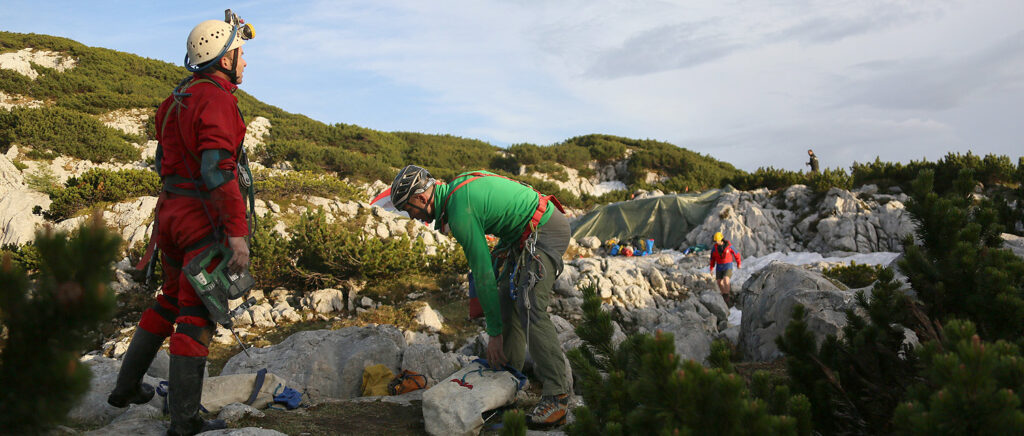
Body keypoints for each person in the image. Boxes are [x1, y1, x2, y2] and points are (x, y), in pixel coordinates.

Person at [108, 11, 255, 436]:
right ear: (224, 60)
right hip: (199, 221)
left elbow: (163, 162)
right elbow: (217, 170)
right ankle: (185, 421)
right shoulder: (217, 100)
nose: (245, 61)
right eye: (240, 54)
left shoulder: (175, 100)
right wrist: (236, 233)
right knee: (197, 315)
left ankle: (125, 387)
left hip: (169, 216)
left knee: (170, 298)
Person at [390, 165, 572, 426]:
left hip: (546, 228)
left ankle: (557, 397)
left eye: (408, 209)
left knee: (529, 304)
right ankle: (508, 382)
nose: (412, 216)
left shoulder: (458, 212)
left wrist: (494, 335)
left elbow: (483, 273)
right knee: (506, 299)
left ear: (420, 198)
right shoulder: (456, 191)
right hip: (521, 234)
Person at [709, 232, 741, 306]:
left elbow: (736, 254)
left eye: (717, 240)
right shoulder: (714, 248)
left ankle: (727, 296)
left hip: (728, 265)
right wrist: (711, 268)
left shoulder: (729, 246)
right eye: (715, 241)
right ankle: (724, 295)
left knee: (726, 280)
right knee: (719, 282)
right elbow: (712, 259)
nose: (716, 242)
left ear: (721, 239)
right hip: (719, 266)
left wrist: (738, 263)